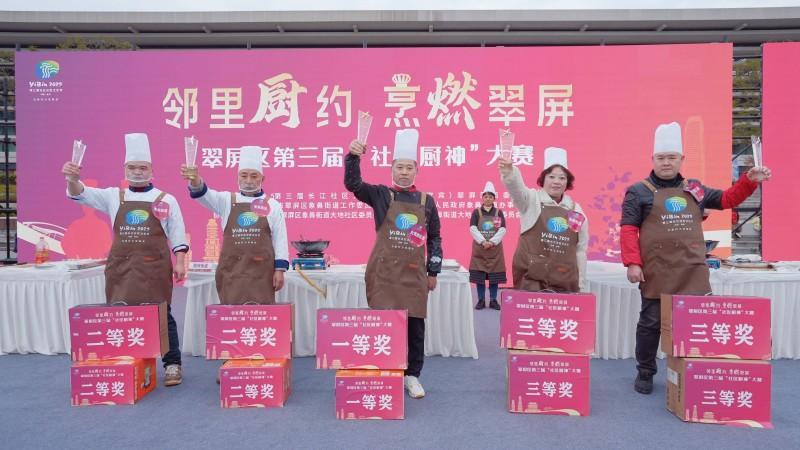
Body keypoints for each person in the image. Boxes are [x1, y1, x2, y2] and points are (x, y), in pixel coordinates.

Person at [621, 121, 772, 395]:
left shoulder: (695, 188)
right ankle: (645, 372)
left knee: (694, 323)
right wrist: (633, 262)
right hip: (657, 269)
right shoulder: (638, 191)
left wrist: (749, 180)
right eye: (661, 158)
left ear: (681, 159)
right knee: (651, 323)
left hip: (692, 268)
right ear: (653, 159)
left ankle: (692, 370)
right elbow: (629, 230)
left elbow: (727, 199)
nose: (666, 163)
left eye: (671, 157)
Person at [63, 133, 188, 386]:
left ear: (152, 170)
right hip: (121, 267)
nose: (138, 172)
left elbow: (177, 234)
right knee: (121, 314)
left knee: (162, 315)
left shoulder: (165, 199)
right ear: (125, 169)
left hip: (154, 267)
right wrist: (73, 179)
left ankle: (172, 363)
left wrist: (180, 261)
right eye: (132, 167)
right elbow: (80, 193)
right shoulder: (113, 196)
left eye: (142, 168)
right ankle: (127, 362)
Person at [345, 129, 442, 399]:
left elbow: (435, 237)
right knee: (384, 325)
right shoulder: (380, 195)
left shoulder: (427, 201)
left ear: (417, 170)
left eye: (409, 168)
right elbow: (353, 184)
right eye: (400, 167)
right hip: (384, 274)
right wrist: (353, 157)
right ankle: (387, 371)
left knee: (415, 327)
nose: (404, 172)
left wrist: (433, 270)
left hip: (413, 275)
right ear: (392, 169)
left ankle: (412, 376)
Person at [181, 146, 288, 305]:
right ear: (237, 177)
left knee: (261, 315)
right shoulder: (226, 200)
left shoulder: (273, 205)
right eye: (244, 175)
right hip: (232, 272)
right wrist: (195, 179)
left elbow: (280, 239)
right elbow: (204, 194)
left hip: (262, 273)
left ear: (262, 178)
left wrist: (279, 270)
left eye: (254, 176)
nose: (248, 180)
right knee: (231, 315)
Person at [499, 147, 589, 293]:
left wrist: (581, 284)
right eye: (551, 177)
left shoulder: (575, 210)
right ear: (543, 179)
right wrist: (510, 172)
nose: (557, 182)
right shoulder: (531, 200)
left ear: (568, 182)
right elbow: (516, 189)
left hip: (564, 281)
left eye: (562, 178)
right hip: (532, 278)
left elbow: (580, 250)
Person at [468, 181, 507, 310]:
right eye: (486, 196)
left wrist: (492, 242)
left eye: (490, 196)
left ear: (494, 198)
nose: (488, 198)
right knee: (479, 278)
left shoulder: (498, 213)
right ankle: (481, 300)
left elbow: (502, 229)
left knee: (494, 277)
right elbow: (473, 228)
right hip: (480, 249)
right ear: (482, 198)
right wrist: (483, 241)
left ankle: (493, 300)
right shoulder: (476, 212)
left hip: (494, 250)